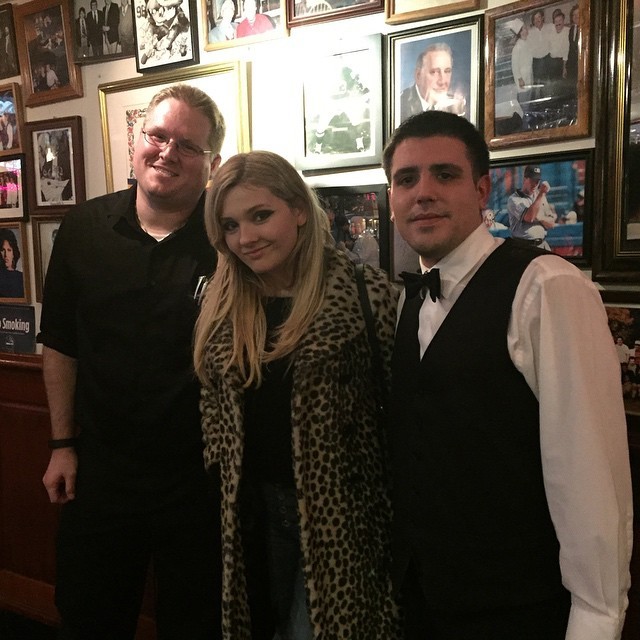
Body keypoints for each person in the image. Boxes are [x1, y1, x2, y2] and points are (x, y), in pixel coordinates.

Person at [382, 109, 632, 640]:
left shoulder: (547, 287)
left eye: (443, 174)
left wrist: (596, 619)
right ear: (391, 199)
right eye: (406, 179)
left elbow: (588, 470)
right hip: (424, 600)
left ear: (481, 189)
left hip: (519, 606)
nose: (422, 192)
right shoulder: (408, 299)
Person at [40, 84, 226, 640]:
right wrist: (60, 445)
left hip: (199, 483)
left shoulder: (229, 241)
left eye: (187, 146)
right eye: (157, 136)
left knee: (197, 624)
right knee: (90, 615)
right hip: (100, 474)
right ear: (136, 143)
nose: (167, 152)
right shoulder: (82, 230)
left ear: (211, 163)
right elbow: (60, 343)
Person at [193, 150, 401, 639]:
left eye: (260, 215)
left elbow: (399, 409)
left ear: (300, 210)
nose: (245, 237)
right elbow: (213, 410)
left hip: (342, 521)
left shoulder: (363, 291)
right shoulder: (222, 301)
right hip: (251, 514)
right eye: (230, 225)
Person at [399, 43, 465, 122]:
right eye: (434, 72)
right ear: (418, 76)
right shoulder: (399, 104)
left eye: (447, 71)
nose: (442, 81)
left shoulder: (456, 106)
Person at [507, 164, 556, 249]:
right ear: (525, 179)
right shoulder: (514, 199)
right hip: (523, 246)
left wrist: (539, 217)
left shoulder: (541, 196)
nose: (535, 184)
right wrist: (541, 194)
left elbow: (551, 223)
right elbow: (529, 217)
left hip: (542, 244)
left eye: (537, 181)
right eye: (532, 180)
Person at [507, 17, 534, 122]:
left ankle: (527, 122)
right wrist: (519, 79)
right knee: (524, 106)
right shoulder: (517, 47)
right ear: (520, 33)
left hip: (529, 77)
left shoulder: (526, 43)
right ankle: (524, 125)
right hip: (522, 80)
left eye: (525, 28)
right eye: (523, 29)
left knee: (528, 103)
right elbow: (514, 65)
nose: (526, 30)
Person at [0, 227, 24, 298]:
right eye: (2, 250)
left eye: (9, 250)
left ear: (14, 253)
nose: (5, 255)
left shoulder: (21, 277)